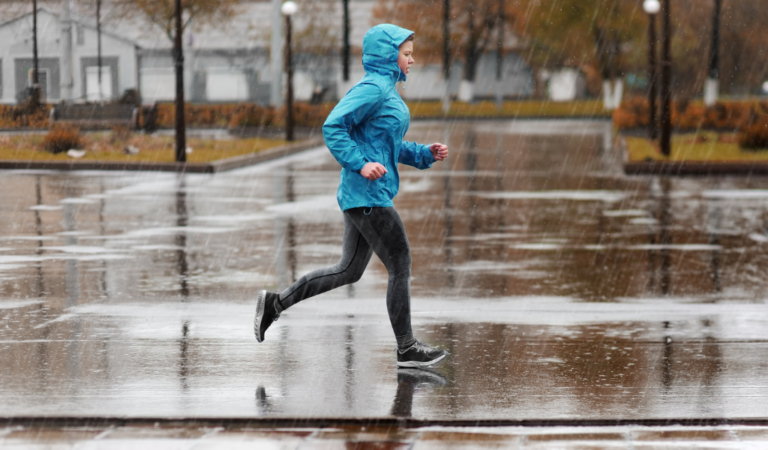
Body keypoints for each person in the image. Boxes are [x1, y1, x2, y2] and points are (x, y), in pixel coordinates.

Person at [255, 24, 449, 368]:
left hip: (366, 195)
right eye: (406, 54)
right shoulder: (374, 88)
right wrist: (360, 165)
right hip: (367, 195)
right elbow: (333, 126)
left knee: (348, 270)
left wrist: (424, 154)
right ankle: (406, 348)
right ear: (389, 56)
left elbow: (386, 145)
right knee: (400, 263)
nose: (412, 60)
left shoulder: (386, 90)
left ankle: (274, 304)